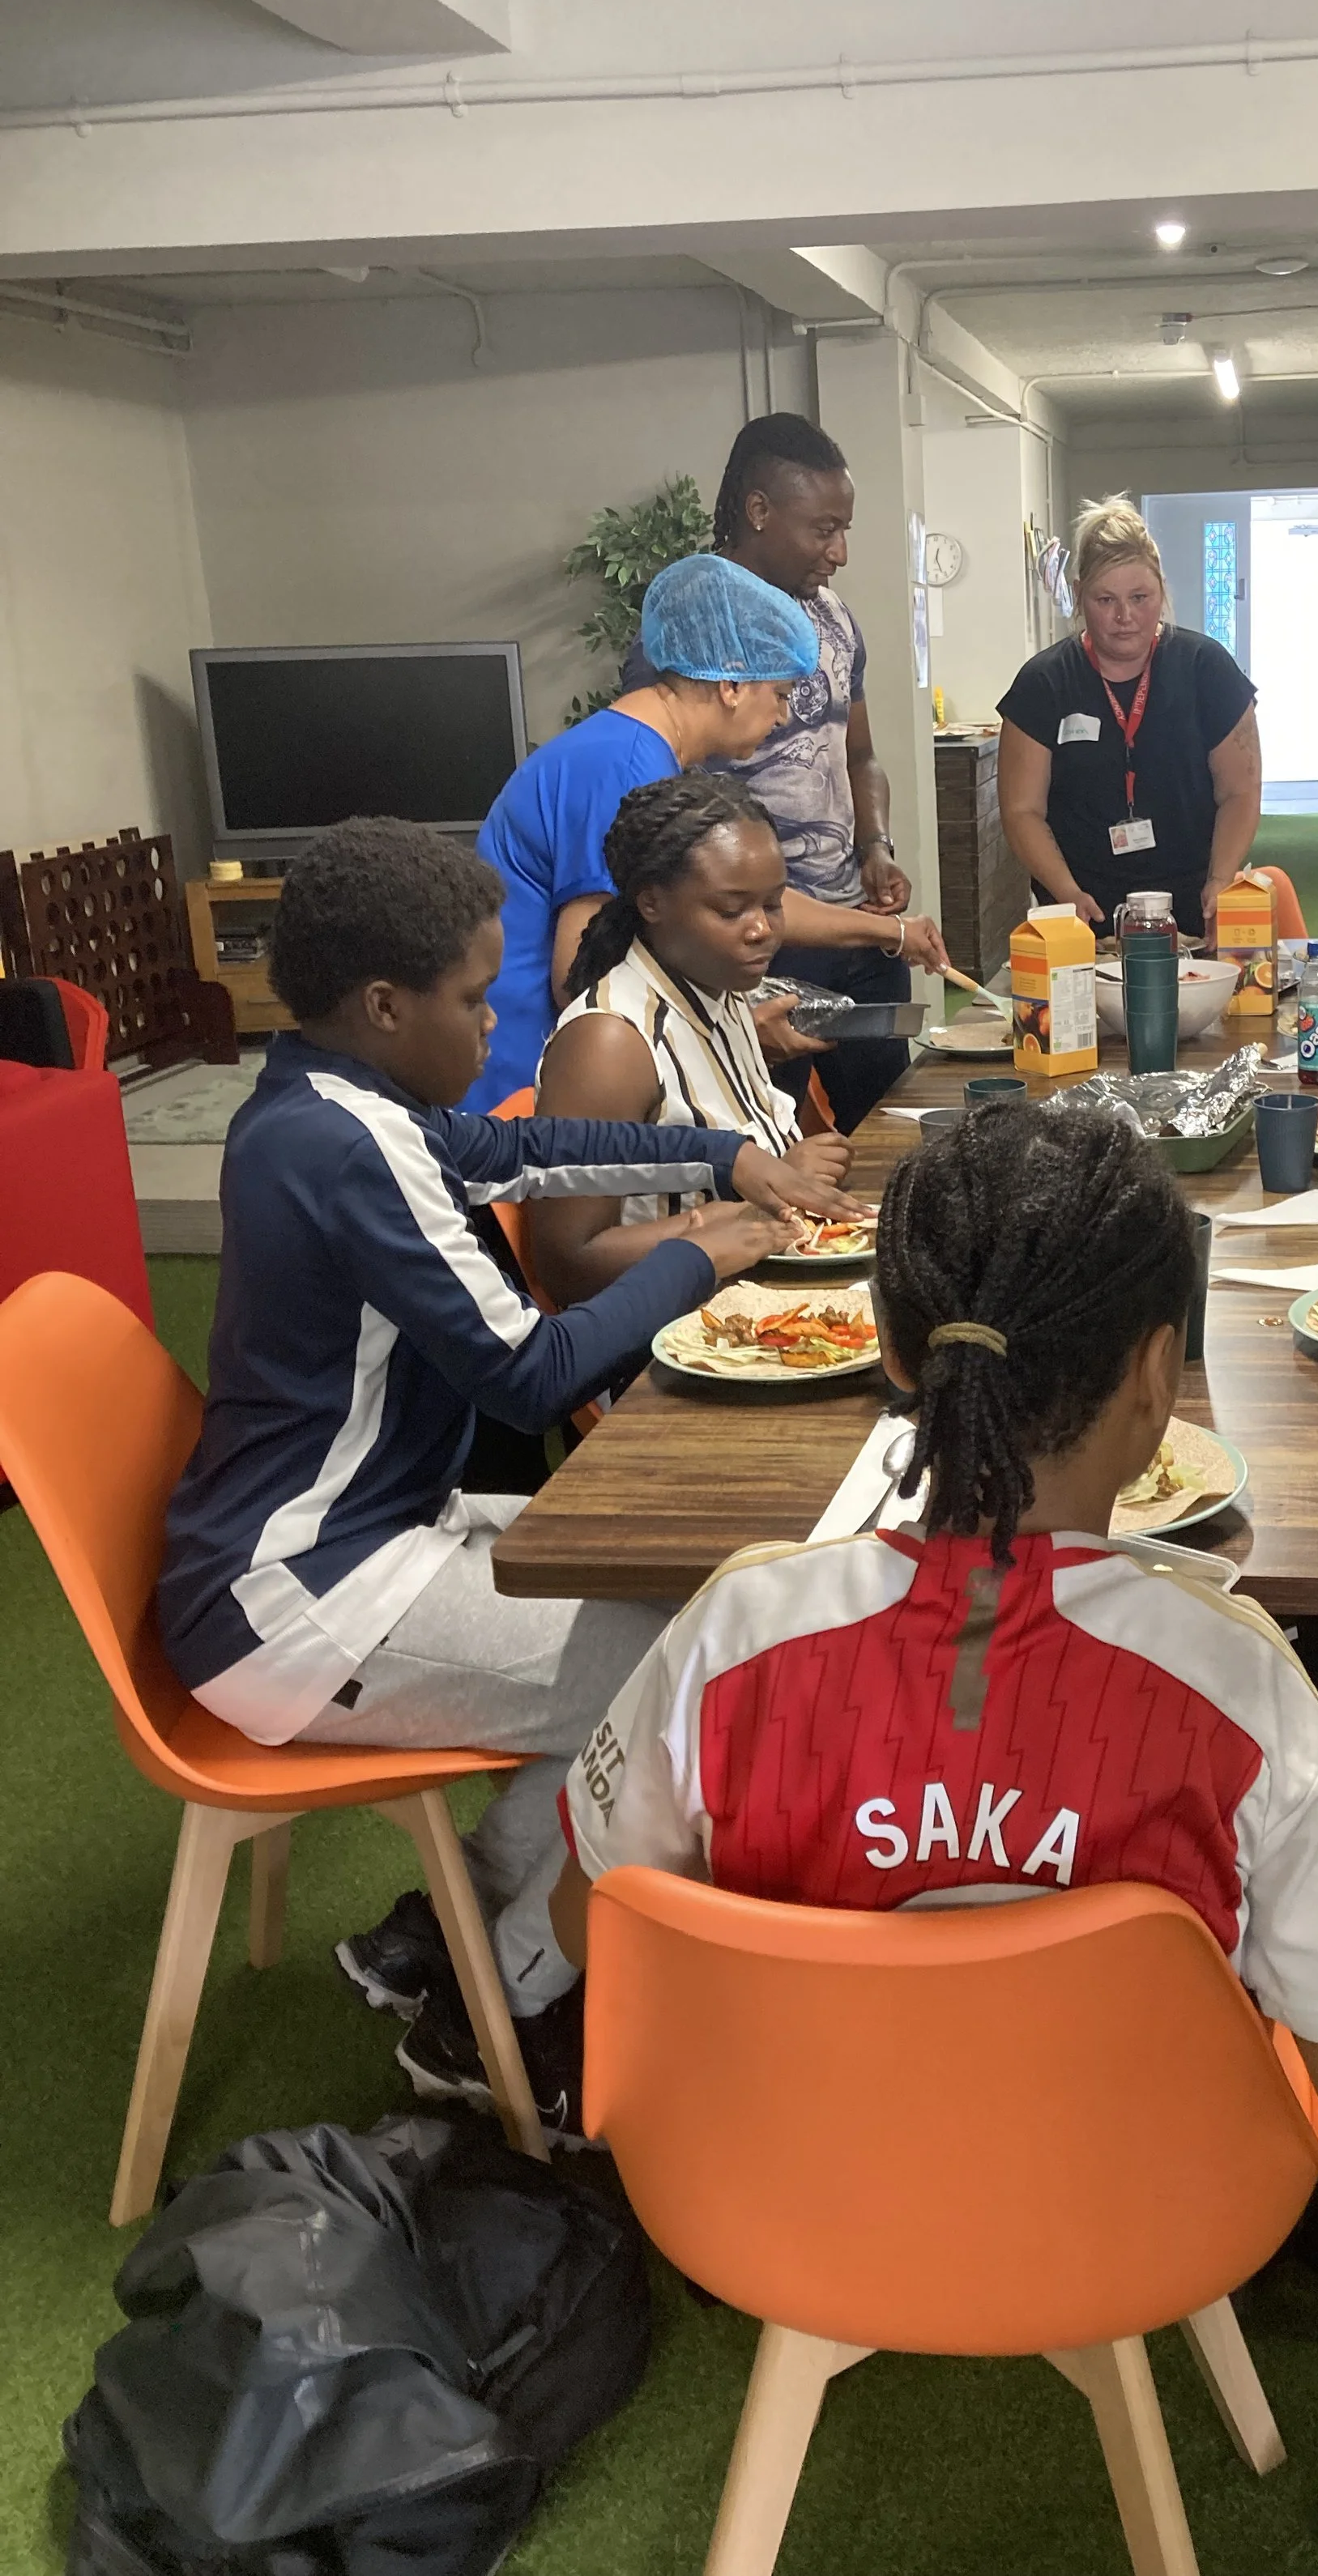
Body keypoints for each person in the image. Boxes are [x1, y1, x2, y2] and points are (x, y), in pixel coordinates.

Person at [545, 1100, 1318, 2158]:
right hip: (1144, 2208)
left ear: (896, 1352)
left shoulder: (732, 1634)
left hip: (790, 2178)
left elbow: (582, 1923)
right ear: (1160, 1374)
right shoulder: (1244, 1689)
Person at [157, 819, 854, 2135]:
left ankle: (455, 1920)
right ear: (383, 1005)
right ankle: (515, 2011)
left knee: (676, 1596)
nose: (494, 1025)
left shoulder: (339, 1102)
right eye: (475, 1001)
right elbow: (531, 1376)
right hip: (307, 1600)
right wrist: (710, 1251)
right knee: (708, 1676)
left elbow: (522, 1156)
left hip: (341, 1543)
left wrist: (721, 1160)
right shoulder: (347, 1151)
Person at [460, 551, 819, 1113]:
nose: (782, 717)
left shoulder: (631, 750)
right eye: (780, 693)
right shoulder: (623, 767)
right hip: (536, 1080)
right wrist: (721, 1035)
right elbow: (584, 975)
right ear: (730, 683)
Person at [687, 413, 952, 1130]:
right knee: (781, 1143)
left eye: (846, 529)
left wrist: (876, 846)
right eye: (822, 528)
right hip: (761, 945)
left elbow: (859, 756)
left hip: (858, 932)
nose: (838, 551)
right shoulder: (694, 630)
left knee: (889, 1129)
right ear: (759, 510)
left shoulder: (834, 617)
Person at [528, 773, 854, 1304]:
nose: (761, 929)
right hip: (667, 1350)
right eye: (731, 910)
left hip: (758, 1297)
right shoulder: (610, 1043)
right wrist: (757, 1209)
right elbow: (570, 1264)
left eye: (773, 904)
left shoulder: (720, 988)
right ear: (652, 902)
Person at [995, 499, 1262, 941]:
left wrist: (1220, 882)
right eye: (1106, 600)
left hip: (1192, 908)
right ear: (1079, 595)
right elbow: (1022, 810)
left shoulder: (1207, 669)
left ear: (1161, 590)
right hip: (1085, 914)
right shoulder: (1043, 684)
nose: (1125, 617)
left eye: (1140, 598)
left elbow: (1241, 790)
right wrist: (1066, 892)